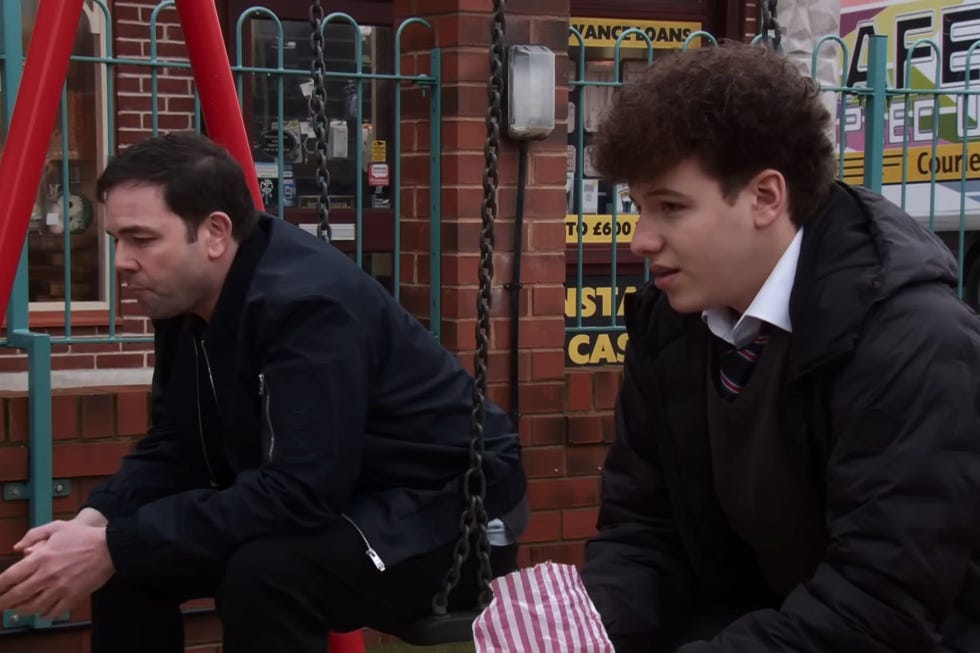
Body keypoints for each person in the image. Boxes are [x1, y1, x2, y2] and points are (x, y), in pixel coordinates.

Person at [0, 131, 528, 652]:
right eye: (118, 239)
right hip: (347, 494)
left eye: (142, 239)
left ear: (214, 233)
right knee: (127, 562)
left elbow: (302, 491)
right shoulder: (184, 299)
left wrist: (117, 543)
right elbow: (178, 445)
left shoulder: (306, 307)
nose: (121, 262)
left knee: (265, 577)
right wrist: (100, 522)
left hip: (452, 512)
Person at [580, 42, 980, 652]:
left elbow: (880, 604)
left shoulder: (914, 341)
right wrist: (582, 635)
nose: (641, 238)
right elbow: (646, 534)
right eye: (638, 207)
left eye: (670, 207)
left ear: (767, 197)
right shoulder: (671, 324)